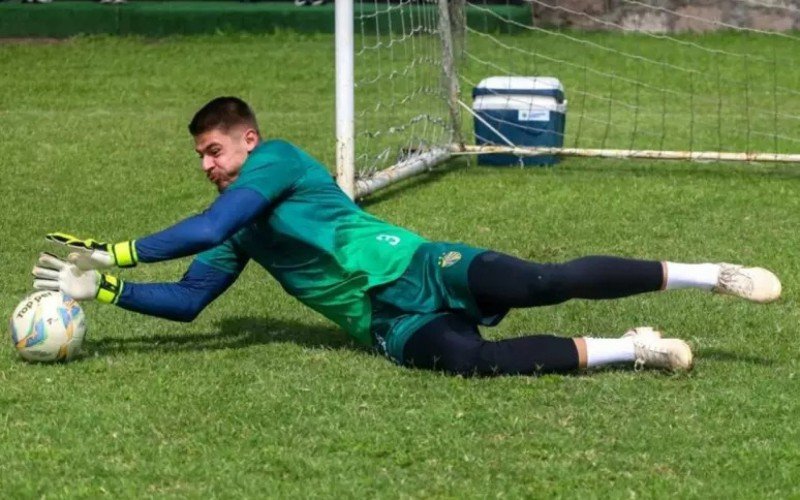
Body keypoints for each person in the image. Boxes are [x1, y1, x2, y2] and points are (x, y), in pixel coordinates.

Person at [31, 96, 781, 376]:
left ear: (249, 142)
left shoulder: (281, 162)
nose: (207, 165)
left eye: (214, 151)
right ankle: (634, 348)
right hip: (387, 319)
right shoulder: (243, 231)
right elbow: (193, 299)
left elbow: (211, 226)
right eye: (200, 156)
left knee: (538, 284)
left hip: (420, 267)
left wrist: (118, 246)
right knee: (472, 361)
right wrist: (109, 287)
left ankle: (708, 272)